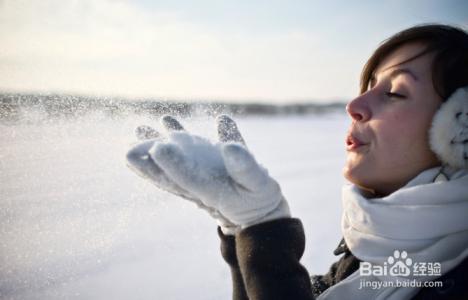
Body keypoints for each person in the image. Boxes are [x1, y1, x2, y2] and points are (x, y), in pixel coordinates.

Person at [126, 24, 468, 300]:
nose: (355, 105)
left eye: (394, 92)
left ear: (458, 130)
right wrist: (242, 233)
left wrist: (265, 228)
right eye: (368, 86)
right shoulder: (370, 258)